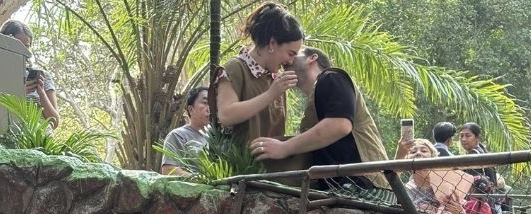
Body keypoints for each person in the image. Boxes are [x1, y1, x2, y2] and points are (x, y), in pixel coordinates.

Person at [250, 46, 390, 194]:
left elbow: (339, 125)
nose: (287, 60)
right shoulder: (318, 94)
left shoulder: (331, 77)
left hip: (366, 187)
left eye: (293, 54)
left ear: (312, 58)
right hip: (348, 187)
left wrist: (284, 148)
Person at [214, 2, 302, 165]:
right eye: (290, 54)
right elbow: (226, 115)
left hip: (269, 174)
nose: (290, 61)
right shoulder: (236, 68)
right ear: (272, 44)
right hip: (238, 175)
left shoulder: (276, 79)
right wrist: (270, 94)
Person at [1, 20, 60, 128]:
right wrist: (17, 93)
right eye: (17, 45)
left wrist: (41, 93)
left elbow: (55, 122)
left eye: (26, 46)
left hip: (42, 139)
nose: (23, 50)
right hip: (10, 140)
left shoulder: (43, 76)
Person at [161, 85, 210, 175]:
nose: (210, 108)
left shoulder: (218, 138)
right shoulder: (178, 136)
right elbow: (168, 170)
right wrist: (202, 182)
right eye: (205, 102)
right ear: (191, 109)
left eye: (213, 104)